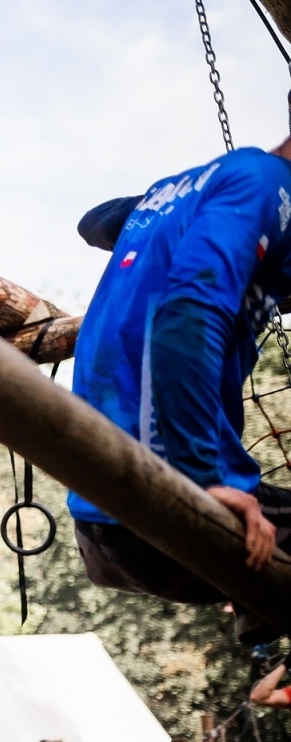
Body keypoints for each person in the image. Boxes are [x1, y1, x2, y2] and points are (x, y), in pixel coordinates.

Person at [68, 139, 291, 644]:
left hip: (99, 525)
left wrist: (153, 209)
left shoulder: (183, 196)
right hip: (172, 509)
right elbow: (186, 317)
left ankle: (261, 609)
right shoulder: (266, 184)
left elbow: (92, 222)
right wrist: (201, 482)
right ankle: (259, 602)